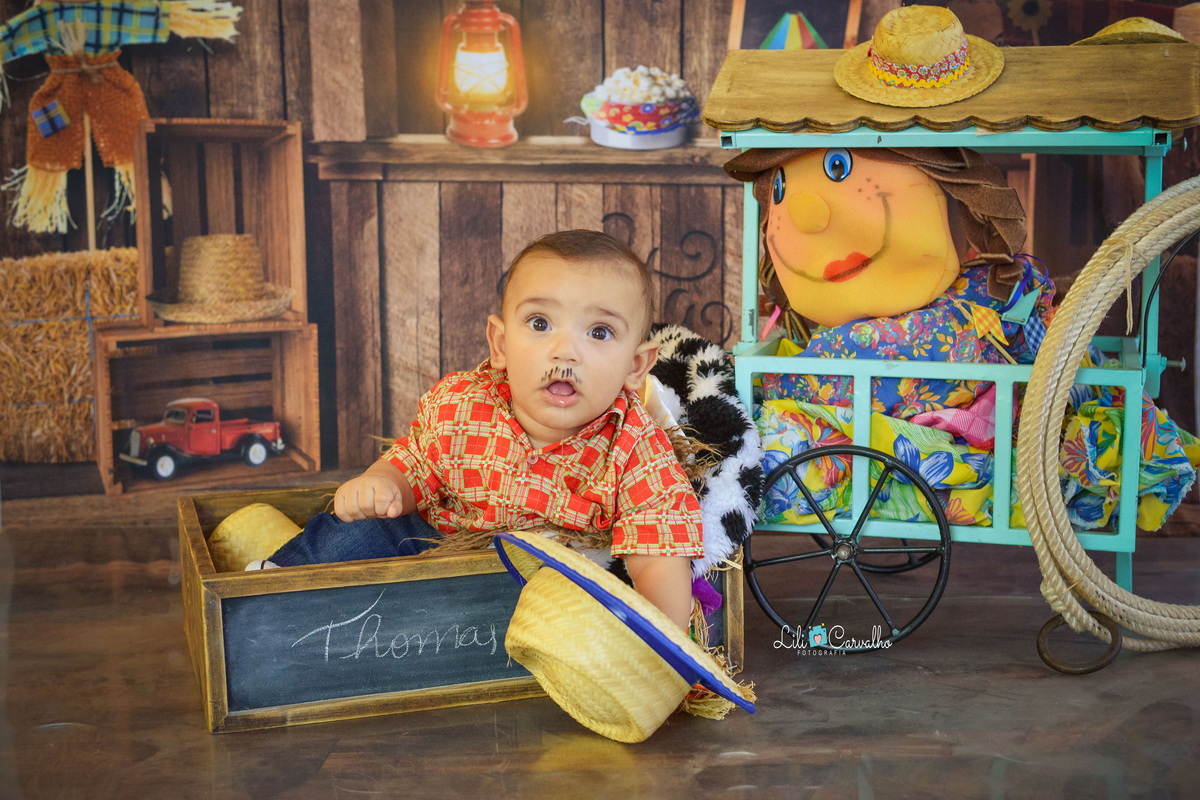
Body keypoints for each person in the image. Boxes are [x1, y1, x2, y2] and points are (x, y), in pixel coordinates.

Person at [253, 230, 704, 630]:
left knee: (612, 599)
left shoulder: (634, 446)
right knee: (363, 529)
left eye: (600, 333)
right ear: (501, 344)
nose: (565, 351)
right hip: (438, 551)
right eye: (540, 324)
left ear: (636, 365)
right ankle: (266, 598)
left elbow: (659, 539)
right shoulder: (465, 403)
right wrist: (384, 483)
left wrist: (660, 637)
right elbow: (416, 461)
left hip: (549, 587)